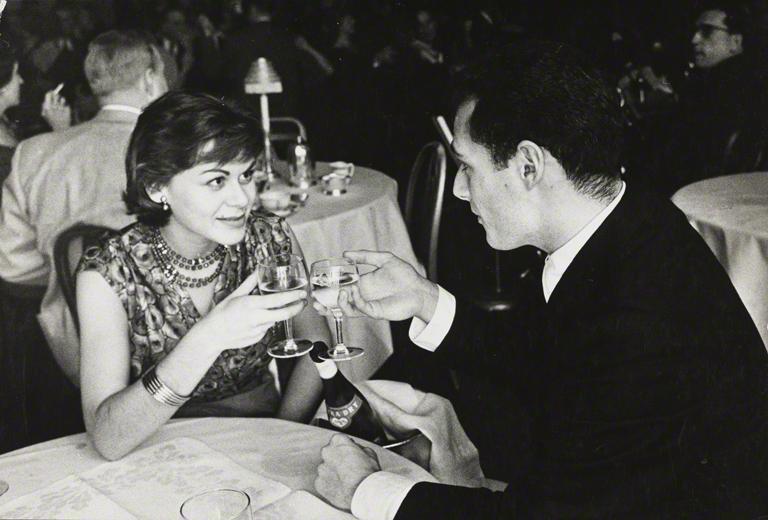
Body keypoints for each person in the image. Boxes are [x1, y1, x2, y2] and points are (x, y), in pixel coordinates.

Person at [314, 41, 768, 518]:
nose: (458, 189)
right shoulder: (626, 219)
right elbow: (554, 354)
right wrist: (426, 301)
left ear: (529, 166)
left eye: (467, 166)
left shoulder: (637, 317)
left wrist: (366, 490)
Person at [76, 91, 329, 461]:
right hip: (154, 449)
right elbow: (108, 439)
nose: (243, 199)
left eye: (246, 176)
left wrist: (284, 431)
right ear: (157, 187)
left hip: (262, 435)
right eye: (216, 181)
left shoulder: (269, 237)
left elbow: (316, 348)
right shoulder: (108, 273)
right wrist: (210, 336)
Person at [0, 29, 168, 388]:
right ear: (151, 79)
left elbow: (13, 267)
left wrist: (73, 278)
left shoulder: (33, 153)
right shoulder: (174, 148)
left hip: (74, 350)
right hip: (174, 346)